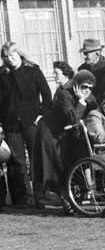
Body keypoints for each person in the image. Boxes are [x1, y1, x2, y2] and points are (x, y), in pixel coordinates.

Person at [32, 70, 95, 208]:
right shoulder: (64, 94)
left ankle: (73, 197)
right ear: (76, 85)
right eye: (84, 87)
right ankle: (64, 199)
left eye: (90, 87)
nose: (87, 90)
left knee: (70, 162)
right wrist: (81, 101)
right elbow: (73, 118)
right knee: (57, 165)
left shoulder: (90, 96)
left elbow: (96, 111)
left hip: (66, 133)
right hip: (50, 132)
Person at [0, 42, 51, 208]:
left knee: (36, 159)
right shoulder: (2, 74)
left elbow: (46, 93)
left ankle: (41, 197)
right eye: (6, 57)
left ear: (19, 55)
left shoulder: (33, 70)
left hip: (32, 122)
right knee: (16, 162)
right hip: (10, 123)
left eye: (12, 56)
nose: (10, 60)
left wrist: (42, 114)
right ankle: (22, 197)